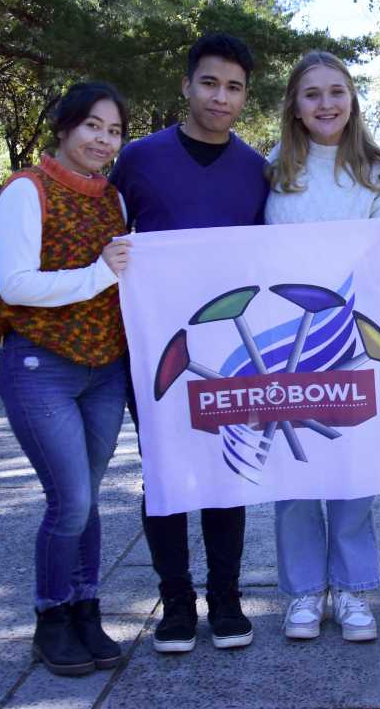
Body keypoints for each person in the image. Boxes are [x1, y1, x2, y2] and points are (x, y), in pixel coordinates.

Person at [111, 33, 268, 654]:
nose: (219, 97)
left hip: (230, 352)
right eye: (209, 83)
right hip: (156, 352)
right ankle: (176, 602)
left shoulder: (258, 169)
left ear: (245, 97)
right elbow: (108, 238)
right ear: (186, 85)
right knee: (167, 474)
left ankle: (227, 598)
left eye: (233, 87)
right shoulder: (140, 160)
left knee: (227, 472)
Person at [0, 82, 132, 676]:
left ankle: (84, 610)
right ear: (66, 127)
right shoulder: (26, 190)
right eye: (92, 126)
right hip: (40, 365)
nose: (102, 139)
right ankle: (51, 619)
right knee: (70, 500)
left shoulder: (115, 199)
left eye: (114, 130)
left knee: (88, 500)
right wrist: (99, 273)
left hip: (105, 369)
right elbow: (17, 284)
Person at [265, 51, 380, 643]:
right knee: (295, 464)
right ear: (295, 108)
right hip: (285, 338)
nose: (326, 104)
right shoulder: (273, 170)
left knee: (352, 465)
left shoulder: (378, 173)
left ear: (352, 100)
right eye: (312, 94)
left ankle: (350, 590)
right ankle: (302, 593)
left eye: (337, 92)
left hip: (352, 335)